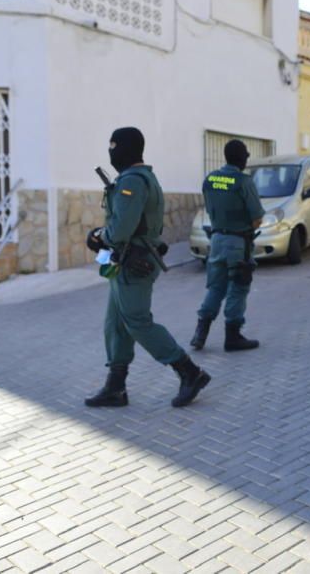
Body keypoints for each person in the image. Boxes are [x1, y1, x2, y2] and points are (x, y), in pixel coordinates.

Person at [85, 127, 211, 408]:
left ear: (127, 149)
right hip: (123, 262)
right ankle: (115, 386)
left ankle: (189, 372)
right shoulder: (137, 178)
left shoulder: (133, 181)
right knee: (115, 324)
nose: (111, 153)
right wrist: (104, 237)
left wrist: (99, 237)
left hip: (133, 264)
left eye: (114, 147)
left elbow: (120, 229)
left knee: (138, 322)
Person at [189, 140, 264, 352]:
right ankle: (233, 336)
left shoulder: (210, 179)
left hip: (216, 241)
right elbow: (257, 219)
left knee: (216, 287)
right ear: (242, 158)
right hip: (238, 243)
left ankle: (200, 333)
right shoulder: (243, 181)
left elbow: (210, 209)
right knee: (238, 288)